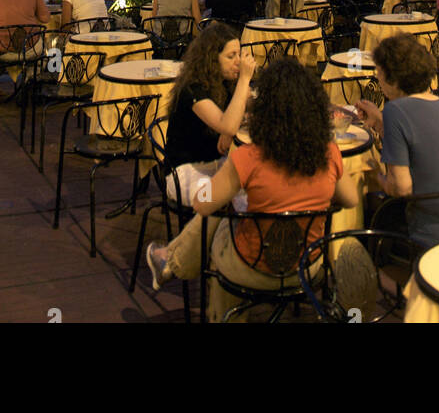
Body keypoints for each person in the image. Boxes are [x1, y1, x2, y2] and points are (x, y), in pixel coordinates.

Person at [147, 56, 359, 322]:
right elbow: (350, 199)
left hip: (252, 267)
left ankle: (178, 267)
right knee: (229, 213)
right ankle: (171, 260)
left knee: (218, 217)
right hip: (308, 266)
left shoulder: (247, 158)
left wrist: (224, 187)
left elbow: (202, 204)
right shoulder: (329, 152)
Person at [355, 34, 439, 251]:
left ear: (392, 79)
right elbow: (422, 141)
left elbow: (401, 188)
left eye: (378, 72)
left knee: (371, 212)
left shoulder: (395, 111)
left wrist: (375, 174)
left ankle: (380, 278)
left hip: (436, 225)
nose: (377, 78)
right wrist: (380, 122)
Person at [163, 23, 256, 178]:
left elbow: (247, 109)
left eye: (239, 54)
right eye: (231, 56)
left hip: (217, 163)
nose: (238, 61)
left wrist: (228, 132)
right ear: (211, 59)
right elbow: (228, 126)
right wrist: (244, 80)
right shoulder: (193, 88)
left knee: (254, 184)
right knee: (241, 192)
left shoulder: (226, 82)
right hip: (186, 172)